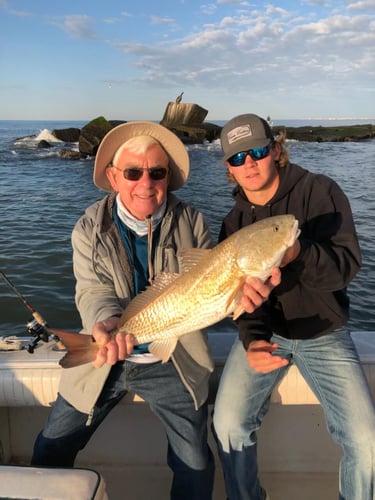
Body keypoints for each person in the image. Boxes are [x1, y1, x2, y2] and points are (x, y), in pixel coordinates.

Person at [31, 120, 279, 500]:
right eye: (133, 172)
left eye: (157, 172)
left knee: (196, 463)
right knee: (50, 447)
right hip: (104, 357)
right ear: (114, 177)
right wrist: (105, 323)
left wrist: (240, 302)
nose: (146, 182)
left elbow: (209, 291)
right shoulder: (88, 228)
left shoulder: (191, 221)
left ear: (168, 178)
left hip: (174, 357)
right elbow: (91, 289)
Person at [213, 113, 375, 500]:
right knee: (228, 425)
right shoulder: (233, 223)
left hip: (325, 332)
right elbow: (243, 300)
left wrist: (297, 254)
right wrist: (252, 340)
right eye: (237, 158)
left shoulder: (319, 192)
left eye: (256, 152)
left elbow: (346, 266)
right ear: (229, 168)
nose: (249, 164)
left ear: (276, 150)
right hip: (267, 335)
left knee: (366, 439)